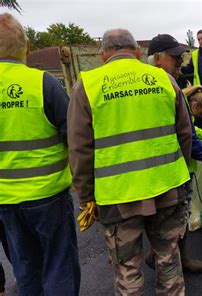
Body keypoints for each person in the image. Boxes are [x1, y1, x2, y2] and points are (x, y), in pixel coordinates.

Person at [68, 29, 192, 295]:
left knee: (127, 270)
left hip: (117, 197)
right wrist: (179, 173)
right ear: (137, 52)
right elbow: (185, 135)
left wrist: (87, 196)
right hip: (167, 189)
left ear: (103, 56)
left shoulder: (87, 86)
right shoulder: (164, 80)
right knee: (169, 263)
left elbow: (80, 150)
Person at [0, 13, 80, 295]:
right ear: (26, 46)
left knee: (25, 268)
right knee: (59, 266)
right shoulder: (43, 84)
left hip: (5, 201)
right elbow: (73, 137)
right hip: (48, 197)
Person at [146, 34, 202, 274]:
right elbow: (185, 132)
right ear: (157, 58)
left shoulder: (154, 86)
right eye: (174, 57)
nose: (180, 61)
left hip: (155, 169)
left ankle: (160, 254)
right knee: (178, 216)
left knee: (162, 218)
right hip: (175, 169)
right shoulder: (166, 86)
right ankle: (175, 259)